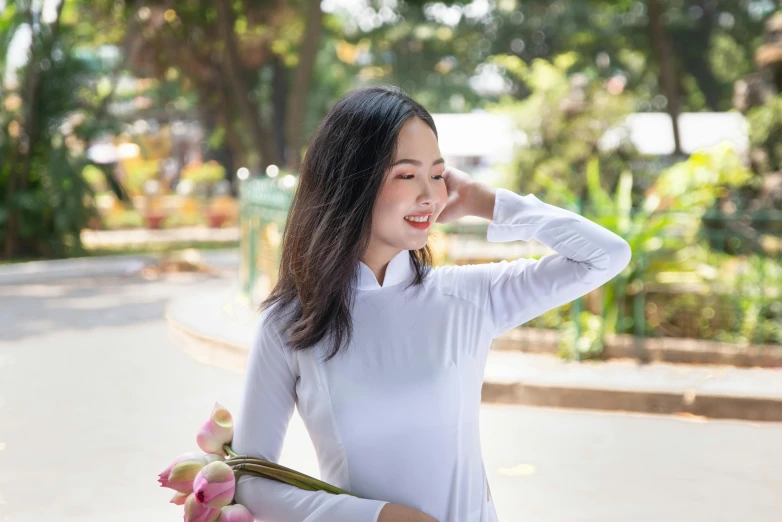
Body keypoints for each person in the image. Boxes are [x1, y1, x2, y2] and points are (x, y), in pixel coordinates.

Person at [232, 85, 632, 522]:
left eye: (438, 174)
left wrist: (489, 202)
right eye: (407, 175)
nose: (431, 195)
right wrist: (379, 517)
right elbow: (251, 480)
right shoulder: (291, 322)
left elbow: (606, 255)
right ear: (351, 182)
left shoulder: (468, 297)